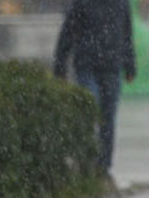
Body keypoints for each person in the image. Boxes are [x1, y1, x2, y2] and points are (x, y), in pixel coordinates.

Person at [53, 0, 136, 177]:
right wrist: (60, 66)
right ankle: (87, 162)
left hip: (111, 67)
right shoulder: (82, 3)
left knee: (108, 116)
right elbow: (67, 33)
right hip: (86, 66)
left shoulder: (121, 4)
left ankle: (103, 166)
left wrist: (130, 66)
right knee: (90, 110)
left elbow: (126, 34)